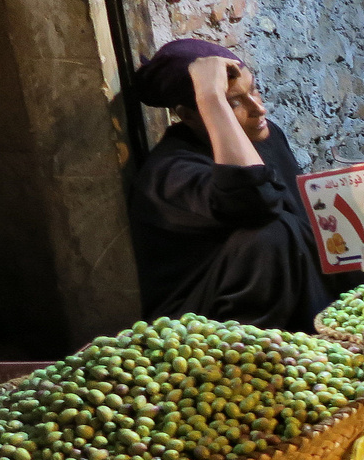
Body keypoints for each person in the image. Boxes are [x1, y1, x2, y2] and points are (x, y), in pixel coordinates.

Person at [125, 38, 350, 332]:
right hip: (202, 327)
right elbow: (255, 200)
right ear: (189, 114)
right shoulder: (170, 173)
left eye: (254, 89)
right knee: (272, 233)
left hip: (296, 300)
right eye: (234, 102)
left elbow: (306, 226)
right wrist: (211, 98)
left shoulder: (266, 137)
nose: (259, 109)